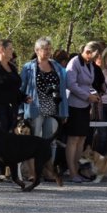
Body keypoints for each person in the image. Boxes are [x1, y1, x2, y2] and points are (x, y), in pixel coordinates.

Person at [20, 36, 68, 166]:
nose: (48, 51)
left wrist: (64, 112)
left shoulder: (57, 67)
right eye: (44, 49)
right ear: (37, 50)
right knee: (34, 140)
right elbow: (21, 90)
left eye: (49, 49)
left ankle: (48, 169)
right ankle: (32, 170)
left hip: (53, 110)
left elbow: (63, 90)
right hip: (35, 109)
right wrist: (20, 110)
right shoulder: (28, 67)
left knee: (51, 142)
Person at [64, 41, 100, 183]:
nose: (95, 59)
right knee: (73, 139)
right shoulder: (74, 63)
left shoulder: (89, 64)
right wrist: (87, 96)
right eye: (95, 56)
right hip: (74, 105)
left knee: (82, 139)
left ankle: (78, 170)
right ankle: (72, 172)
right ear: (88, 52)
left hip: (85, 106)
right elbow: (71, 85)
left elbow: (88, 84)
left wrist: (94, 94)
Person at [0, 38, 29, 133]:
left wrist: (24, 97)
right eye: (10, 48)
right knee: (1, 136)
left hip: (13, 109)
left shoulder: (12, 67)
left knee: (11, 136)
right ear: (1, 50)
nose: (12, 51)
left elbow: (14, 87)